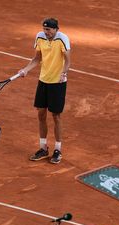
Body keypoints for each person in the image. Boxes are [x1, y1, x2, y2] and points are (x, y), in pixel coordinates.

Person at [18, 17, 71, 164]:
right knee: (41, 113)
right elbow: (37, 58)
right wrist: (26, 70)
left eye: (48, 29)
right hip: (43, 80)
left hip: (58, 82)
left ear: (56, 29)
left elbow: (67, 61)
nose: (45, 32)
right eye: (44, 29)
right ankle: (43, 148)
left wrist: (63, 73)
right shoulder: (40, 37)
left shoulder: (63, 39)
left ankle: (58, 150)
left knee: (56, 116)